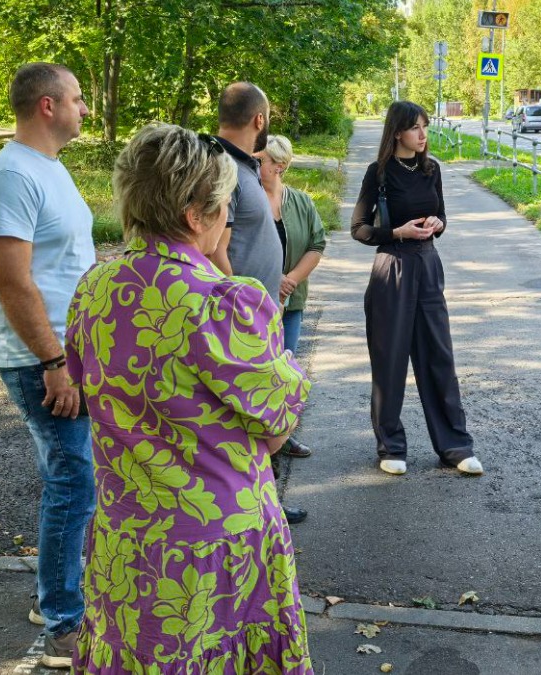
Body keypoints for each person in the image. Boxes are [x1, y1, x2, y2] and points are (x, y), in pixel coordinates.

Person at [65, 123, 314, 674]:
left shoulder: (94, 291)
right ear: (193, 215)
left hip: (124, 543)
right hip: (213, 550)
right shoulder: (226, 305)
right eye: (225, 206)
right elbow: (274, 432)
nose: (229, 219)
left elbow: (94, 398)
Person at [0, 62, 94, 669]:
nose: (84, 108)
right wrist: (54, 361)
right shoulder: (10, 177)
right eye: (76, 99)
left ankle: (59, 596)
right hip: (41, 360)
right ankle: (63, 624)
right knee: (73, 484)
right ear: (47, 107)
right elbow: (11, 282)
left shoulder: (48, 168)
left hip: (69, 355)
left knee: (78, 481)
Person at [351, 101, 481, 477]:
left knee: (438, 356)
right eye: (415, 128)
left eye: (425, 126)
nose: (423, 135)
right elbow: (359, 228)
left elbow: (442, 218)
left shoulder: (431, 169)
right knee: (390, 359)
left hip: (427, 265)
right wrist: (397, 232)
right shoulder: (378, 173)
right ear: (397, 132)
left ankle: (455, 446)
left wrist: (436, 224)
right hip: (392, 266)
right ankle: (391, 445)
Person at [208, 81, 309, 524]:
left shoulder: (242, 165)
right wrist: (243, 305)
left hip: (257, 311)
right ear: (259, 120)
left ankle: (263, 499)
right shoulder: (222, 167)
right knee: (252, 416)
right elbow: (215, 247)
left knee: (260, 416)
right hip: (239, 318)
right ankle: (256, 506)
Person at [257, 134, 327, 459]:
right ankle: (258, 442)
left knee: (285, 370)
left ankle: (282, 437)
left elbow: (316, 244)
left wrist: (291, 280)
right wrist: (273, 280)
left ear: (280, 166)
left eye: (262, 161)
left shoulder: (301, 202)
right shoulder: (248, 201)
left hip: (290, 302)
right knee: (259, 371)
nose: (256, 166)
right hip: (255, 302)